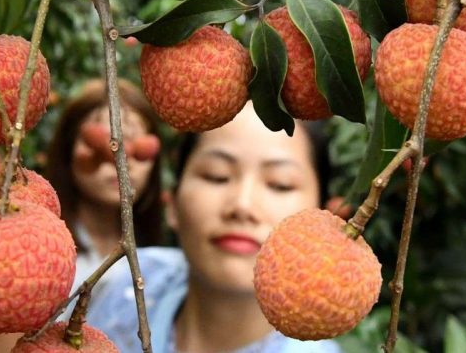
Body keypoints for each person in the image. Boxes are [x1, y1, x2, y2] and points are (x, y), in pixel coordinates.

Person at [86, 102, 342, 352]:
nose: (242, 205)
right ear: (172, 204)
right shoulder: (126, 284)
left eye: (280, 184)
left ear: (323, 223)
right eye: (216, 175)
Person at [0, 78, 164, 352]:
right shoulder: (35, 256)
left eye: (135, 146)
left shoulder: (163, 266)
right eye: (102, 141)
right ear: (66, 153)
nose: (118, 159)